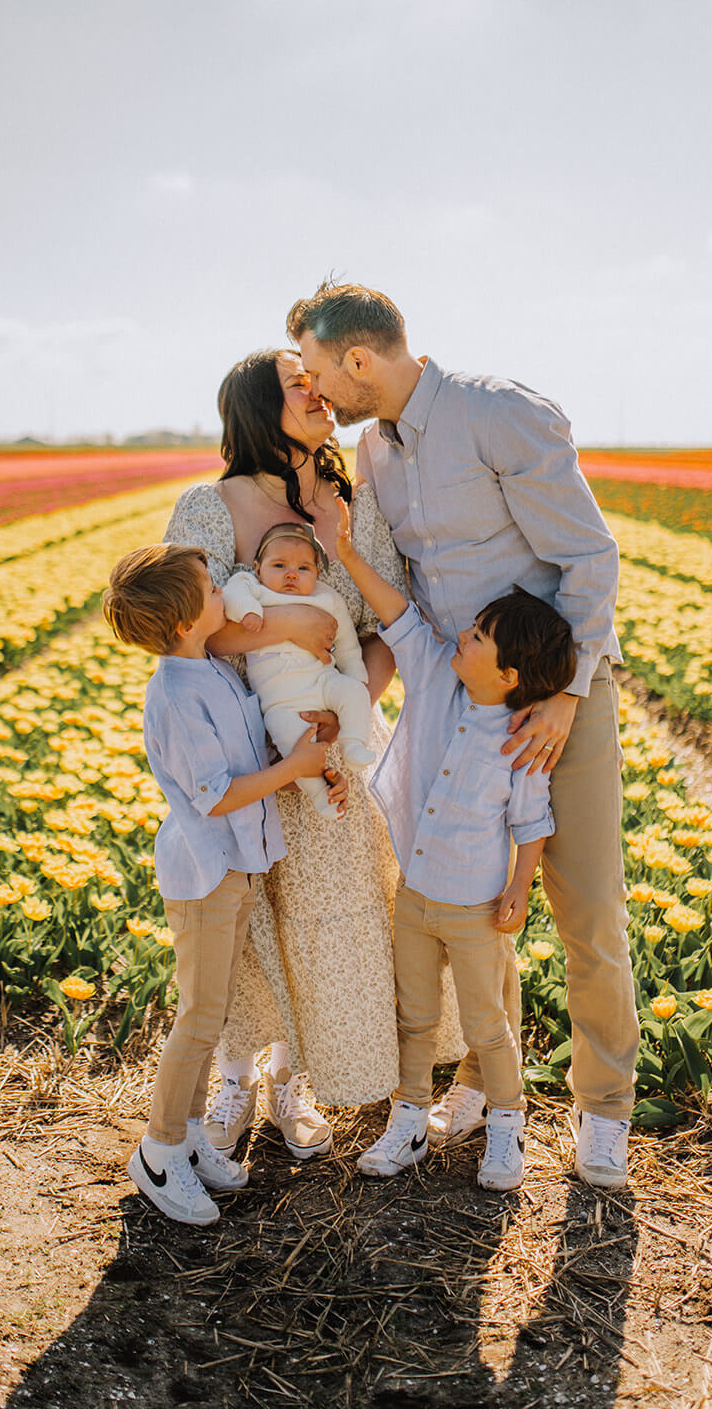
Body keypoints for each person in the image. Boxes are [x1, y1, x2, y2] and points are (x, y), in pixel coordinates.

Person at [291, 280, 640, 1190]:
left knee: (587, 906)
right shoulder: (377, 451)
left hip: (558, 696)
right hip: (452, 702)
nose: (319, 390)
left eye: (323, 372)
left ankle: (604, 1109)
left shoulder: (497, 414)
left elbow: (588, 557)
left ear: (359, 359)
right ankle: (489, 1080)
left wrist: (564, 695)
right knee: (478, 898)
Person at [164, 349, 464, 1162]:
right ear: (259, 408)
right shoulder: (208, 506)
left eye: (316, 379)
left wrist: (345, 715)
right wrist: (287, 629)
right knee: (240, 918)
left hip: (325, 756)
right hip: (236, 752)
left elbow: (382, 629)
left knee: (319, 920)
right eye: (299, 385)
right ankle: (235, 1077)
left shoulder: (346, 505)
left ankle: (292, 1081)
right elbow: (180, 624)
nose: (319, 391)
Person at [335, 494, 574, 1189]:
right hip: (415, 896)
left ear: (508, 676)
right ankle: (408, 1122)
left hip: (474, 911)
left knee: (487, 1025)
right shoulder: (438, 674)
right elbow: (400, 616)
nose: (459, 637)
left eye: (477, 637)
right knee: (414, 1017)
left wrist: (517, 890)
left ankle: (507, 1130)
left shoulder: (521, 742)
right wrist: (348, 554)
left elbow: (531, 826)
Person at [101, 542, 341, 1225]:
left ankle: (192, 1140)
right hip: (205, 872)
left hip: (230, 866)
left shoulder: (210, 669)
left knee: (209, 1017)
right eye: (210, 589)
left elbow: (244, 755)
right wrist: (296, 765)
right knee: (199, 1017)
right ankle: (159, 1151)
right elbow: (216, 794)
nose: (224, 595)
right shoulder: (176, 692)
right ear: (183, 619)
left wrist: (305, 746)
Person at [222, 520, 375, 819]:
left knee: (354, 692)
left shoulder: (326, 598)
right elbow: (231, 594)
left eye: (304, 568)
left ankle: (354, 743)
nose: (291, 573)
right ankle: (320, 793)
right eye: (279, 565)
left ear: (317, 573)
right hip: (280, 702)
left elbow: (346, 644)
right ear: (257, 567)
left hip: (323, 681)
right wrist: (248, 612)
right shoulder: (252, 588)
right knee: (294, 746)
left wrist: (356, 676)